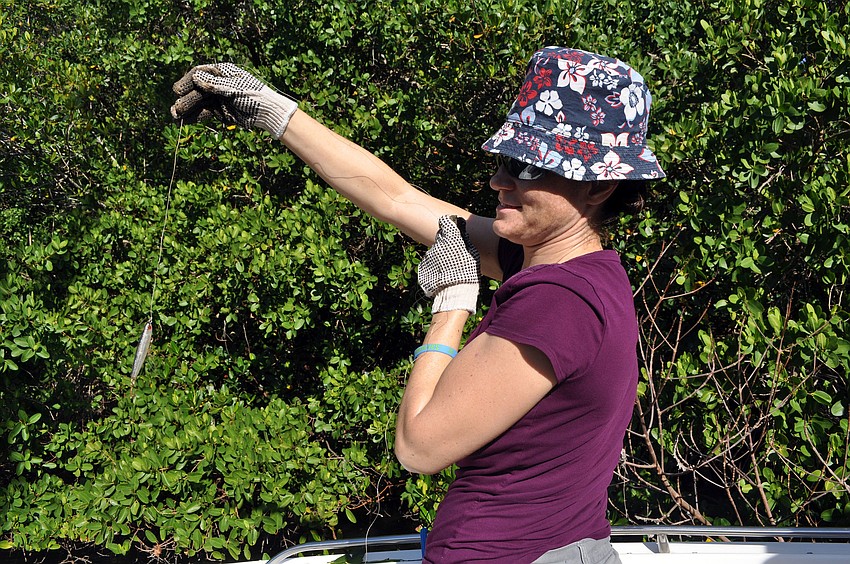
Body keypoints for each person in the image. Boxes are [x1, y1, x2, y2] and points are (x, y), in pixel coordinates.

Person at [171, 45, 665, 564]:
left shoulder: (557, 304)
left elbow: (419, 447)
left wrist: (452, 303)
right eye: (504, 161)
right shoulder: (579, 268)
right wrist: (274, 111)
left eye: (528, 169)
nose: (500, 181)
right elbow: (398, 199)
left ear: (600, 186)